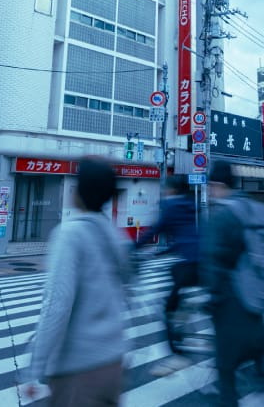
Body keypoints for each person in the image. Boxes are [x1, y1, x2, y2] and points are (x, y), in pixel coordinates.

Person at [26, 157, 130, 406]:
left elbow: (57, 304)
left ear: (80, 192)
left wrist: (36, 366)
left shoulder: (70, 234)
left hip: (79, 368)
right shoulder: (115, 234)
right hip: (114, 363)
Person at [203, 160, 264, 407]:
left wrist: (211, 299)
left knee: (226, 372)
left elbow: (213, 263)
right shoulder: (257, 210)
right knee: (262, 374)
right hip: (258, 305)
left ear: (217, 185)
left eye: (211, 185)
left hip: (233, 306)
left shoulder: (223, 216)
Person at [134, 175, 199, 376]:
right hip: (203, 261)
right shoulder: (190, 205)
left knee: (168, 308)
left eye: (165, 189)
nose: (163, 192)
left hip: (189, 264)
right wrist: (160, 252)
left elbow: (155, 229)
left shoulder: (171, 206)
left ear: (171, 190)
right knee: (178, 291)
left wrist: (133, 247)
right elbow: (186, 238)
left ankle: (178, 354)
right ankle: (186, 316)